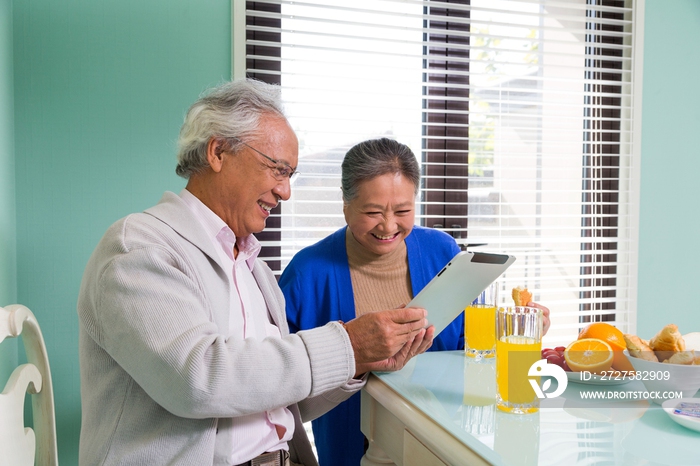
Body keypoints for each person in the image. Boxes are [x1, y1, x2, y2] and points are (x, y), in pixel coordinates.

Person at [77, 80, 435, 466]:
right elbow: (200, 380)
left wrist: (360, 361)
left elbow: (281, 396)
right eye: (278, 169)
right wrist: (348, 344)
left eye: (291, 175)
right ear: (217, 152)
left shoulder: (254, 270)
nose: (286, 192)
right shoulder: (141, 248)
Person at [279, 138, 551, 466]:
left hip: (439, 444)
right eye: (372, 212)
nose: (389, 226)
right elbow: (283, 385)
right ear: (345, 203)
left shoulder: (442, 251)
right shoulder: (308, 272)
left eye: (403, 211)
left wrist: (515, 331)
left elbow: (473, 347)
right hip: (351, 451)